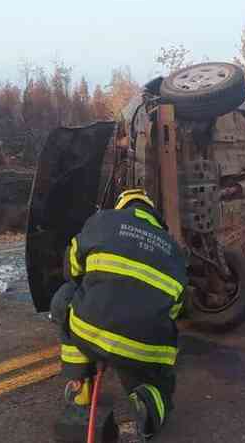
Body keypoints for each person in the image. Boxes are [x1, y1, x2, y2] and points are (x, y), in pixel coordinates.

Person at [50, 188, 187, 441]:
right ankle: (149, 402)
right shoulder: (174, 250)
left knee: (66, 296)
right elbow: (175, 309)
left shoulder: (102, 221)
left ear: (122, 206)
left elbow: (72, 267)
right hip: (145, 349)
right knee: (157, 382)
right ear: (154, 215)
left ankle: (81, 385)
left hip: (88, 332)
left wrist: (94, 287)